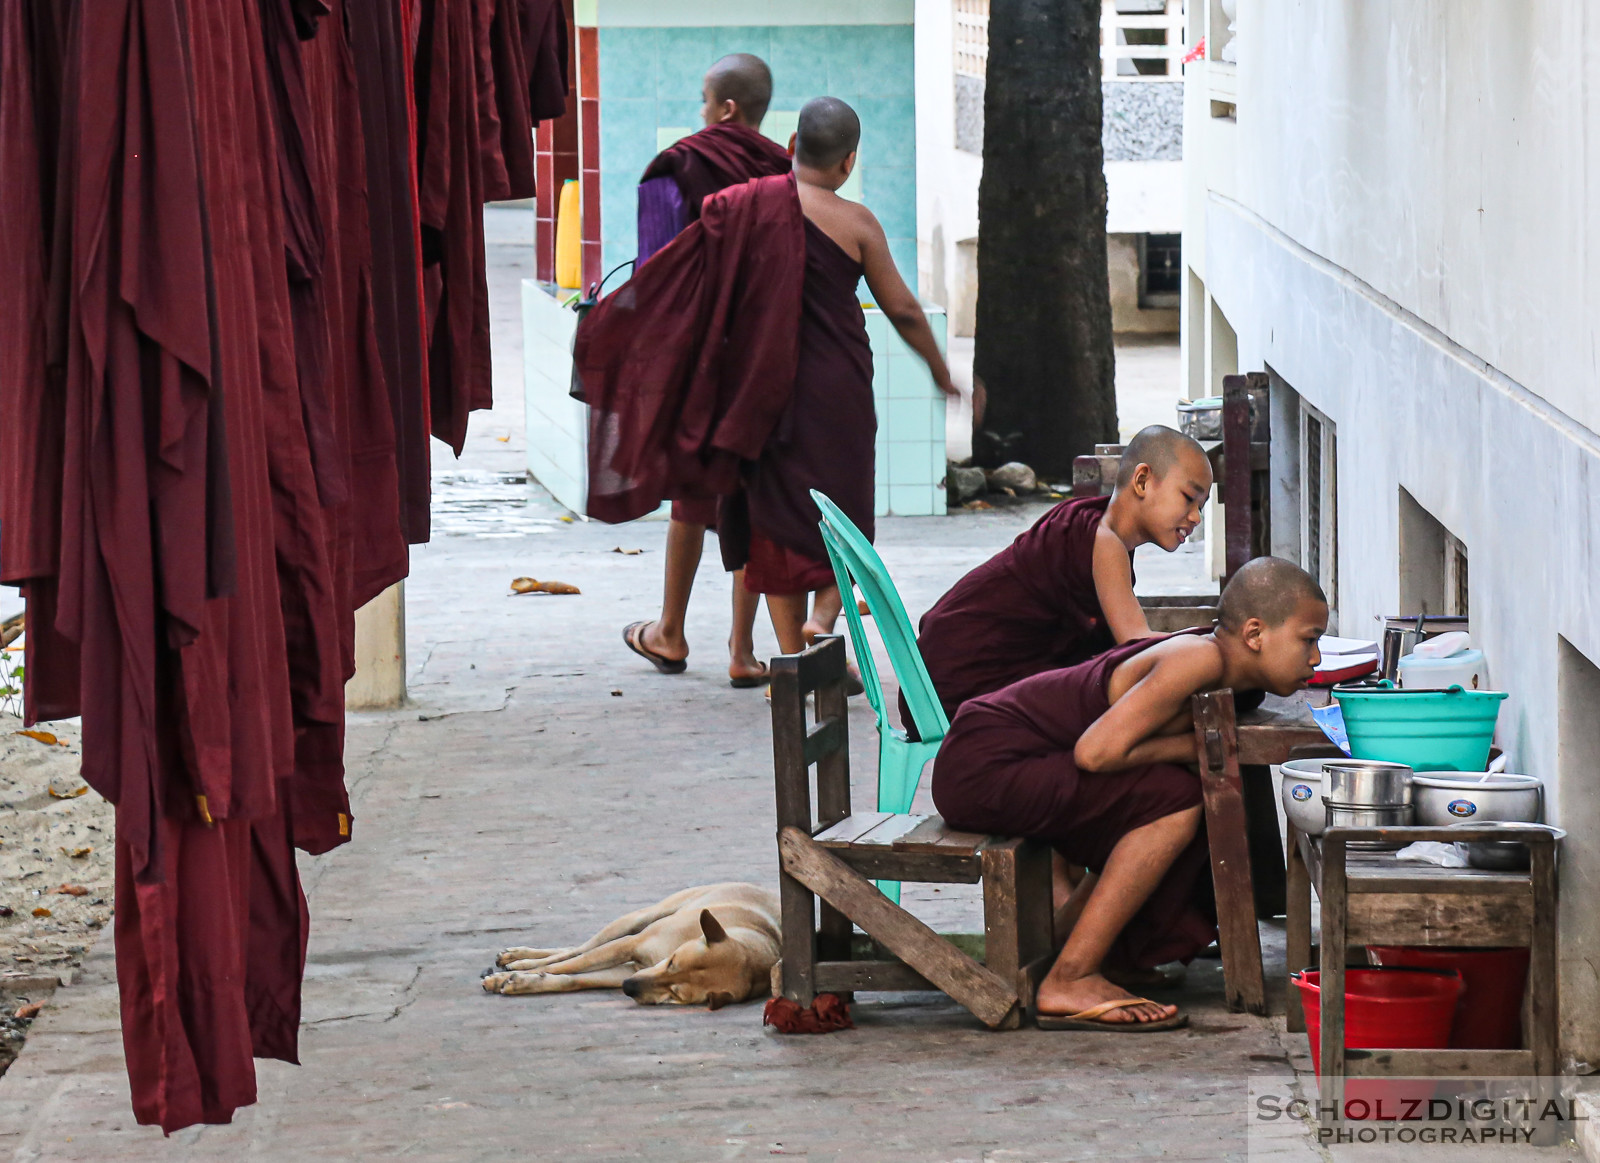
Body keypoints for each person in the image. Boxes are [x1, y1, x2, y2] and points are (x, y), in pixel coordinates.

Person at [931, 557, 1327, 1029]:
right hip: (984, 763)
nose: (1317, 658)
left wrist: (1210, 748)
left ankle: (1088, 950)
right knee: (1176, 797)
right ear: (1256, 634)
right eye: (1309, 640)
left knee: (1175, 791)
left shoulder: (1233, 676)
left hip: (1010, 760)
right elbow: (1096, 753)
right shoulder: (1198, 658)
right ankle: (1070, 977)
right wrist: (1210, 746)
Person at [729, 96, 956, 659]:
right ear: (848, 162)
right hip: (836, 390)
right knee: (843, 510)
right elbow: (902, 309)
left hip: (763, 392)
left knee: (776, 521)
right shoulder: (856, 221)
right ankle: (825, 618)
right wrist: (941, 370)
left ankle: (791, 664)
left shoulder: (746, 210)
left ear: (790, 149)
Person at [622, 54, 792, 688]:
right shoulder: (785, 171)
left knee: (692, 497)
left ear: (726, 108)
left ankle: (669, 630)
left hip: (702, 360)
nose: (698, 112)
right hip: (767, 361)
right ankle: (742, 651)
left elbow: (655, 266)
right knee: (749, 496)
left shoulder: (682, 165)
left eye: (702, 98)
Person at [912, 425, 1213, 724]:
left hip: (931, 674)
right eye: (1188, 497)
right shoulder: (1103, 540)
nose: (1196, 517)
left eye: (1201, 506)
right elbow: (1136, 644)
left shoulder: (1099, 530)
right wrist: (1213, 647)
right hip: (956, 682)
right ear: (1143, 481)